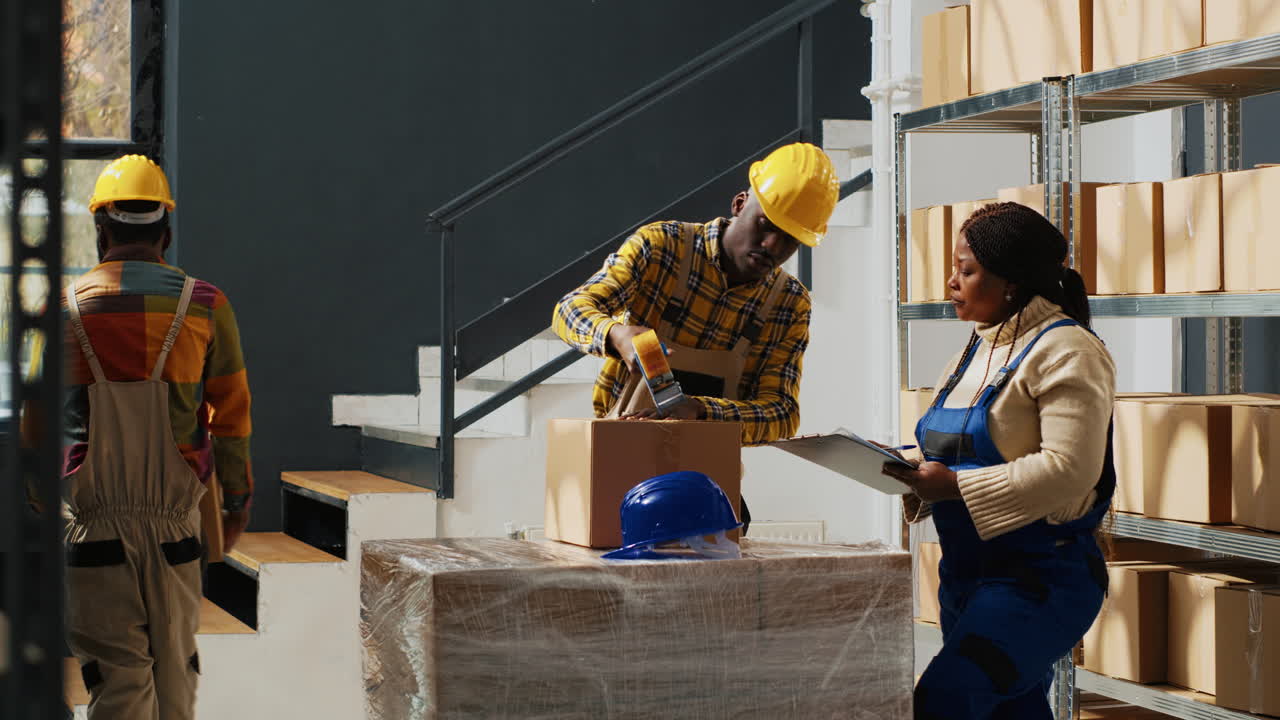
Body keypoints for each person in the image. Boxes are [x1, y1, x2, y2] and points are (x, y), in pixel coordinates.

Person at [883, 201, 1116, 719]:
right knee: (1010, 711)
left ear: (1010, 282)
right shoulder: (976, 349)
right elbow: (944, 445)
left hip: (1040, 581)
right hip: (966, 577)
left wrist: (954, 488)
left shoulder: (1067, 350)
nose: (951, 282)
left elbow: (1070, 469)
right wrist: (896, 462)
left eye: (965, 270)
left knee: (946, 698)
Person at [42, 155, 253, 719]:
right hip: (175, 532)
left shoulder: (60, 310)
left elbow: (34, 432)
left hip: (92, 532)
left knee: (119, 683)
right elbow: (232, 416)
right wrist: (236, 504)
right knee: (176, 680)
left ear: (100, 229)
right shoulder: (205, 305)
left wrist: (44, 507)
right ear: (167, 230)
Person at [552, 142, 839, 532]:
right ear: (740, 204)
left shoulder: (788, 304)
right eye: (766, 224)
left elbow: (782, 414)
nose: (772, 245)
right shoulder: (661, 249)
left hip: (709, 483)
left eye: (789, 238)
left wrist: (701, 412)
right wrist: (617, 335)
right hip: (617, 463)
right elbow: (569, 310)